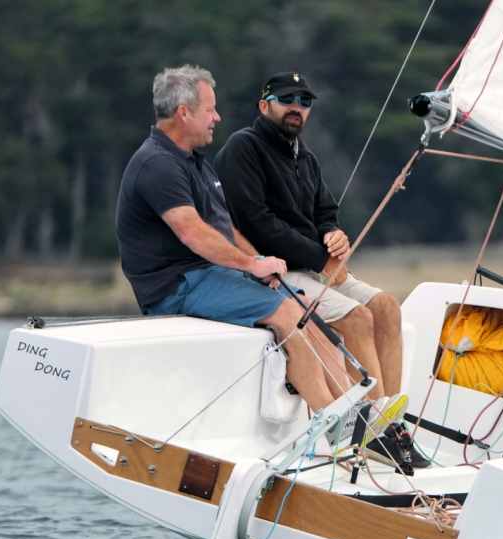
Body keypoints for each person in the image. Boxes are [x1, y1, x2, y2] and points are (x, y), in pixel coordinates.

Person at [214, 71, 428, 468]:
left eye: (305, 102)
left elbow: (326, 211)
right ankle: (369, 430)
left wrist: (334, 234)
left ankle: (389, 425)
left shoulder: (304, 156)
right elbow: (256, 222)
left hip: (316, 267)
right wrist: (320, 257)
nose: (297, 108)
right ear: (265, 105)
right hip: (273, 271)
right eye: (287, 99)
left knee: (386, 307)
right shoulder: (243, 148)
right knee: (357, 316)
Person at [115, 64, 347, 413]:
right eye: (210, 109)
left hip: (208, 276)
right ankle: (333, 417)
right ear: (183, 113)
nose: (218, 118)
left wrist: (261, 266)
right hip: (175, 287)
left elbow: (226, 229)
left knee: (302, 305)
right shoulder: (157, 164)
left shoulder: (195, 162)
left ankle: (355, 412)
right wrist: (251, 265)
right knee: (288, 313)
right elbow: (193, 233)